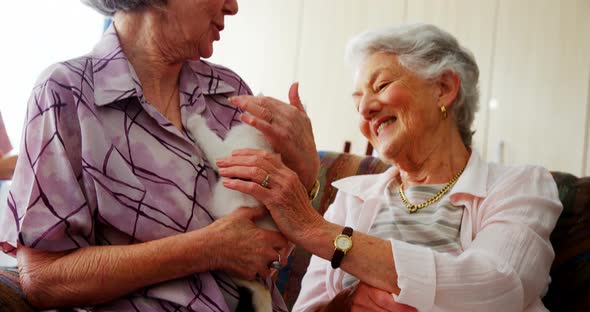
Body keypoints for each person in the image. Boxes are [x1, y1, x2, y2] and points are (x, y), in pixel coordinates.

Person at [0, 0, 319, 310]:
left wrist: (306, 171)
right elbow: (43, 279)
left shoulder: (230, 93)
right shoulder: (65, 93)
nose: (233, 6)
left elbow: (273, 254)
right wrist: (208, 248)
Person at [218, 24, 562, 311]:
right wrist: (346, 302)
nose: (365, 108)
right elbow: (308, 308)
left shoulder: (521, 184)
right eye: (357, 100)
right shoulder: (353, 199)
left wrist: (314, 229)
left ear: (443, 89)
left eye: (381, 86)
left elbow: (498, 286)